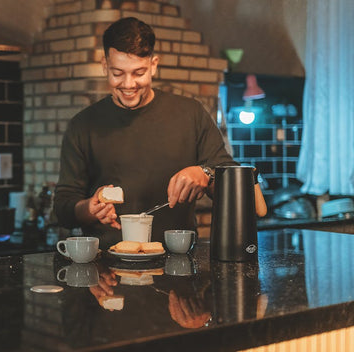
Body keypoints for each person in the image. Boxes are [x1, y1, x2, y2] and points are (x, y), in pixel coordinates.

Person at [53, 17, 236, 247]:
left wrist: (206, 173)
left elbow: (232, 184)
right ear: (104, 66)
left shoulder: (191, 113)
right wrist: (89, 208)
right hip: (105, 271)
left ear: (154, 65)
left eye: (138, 72)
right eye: (118, 73)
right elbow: (63, 208)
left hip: (178, 265)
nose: (128, 84)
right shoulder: (82, 125)